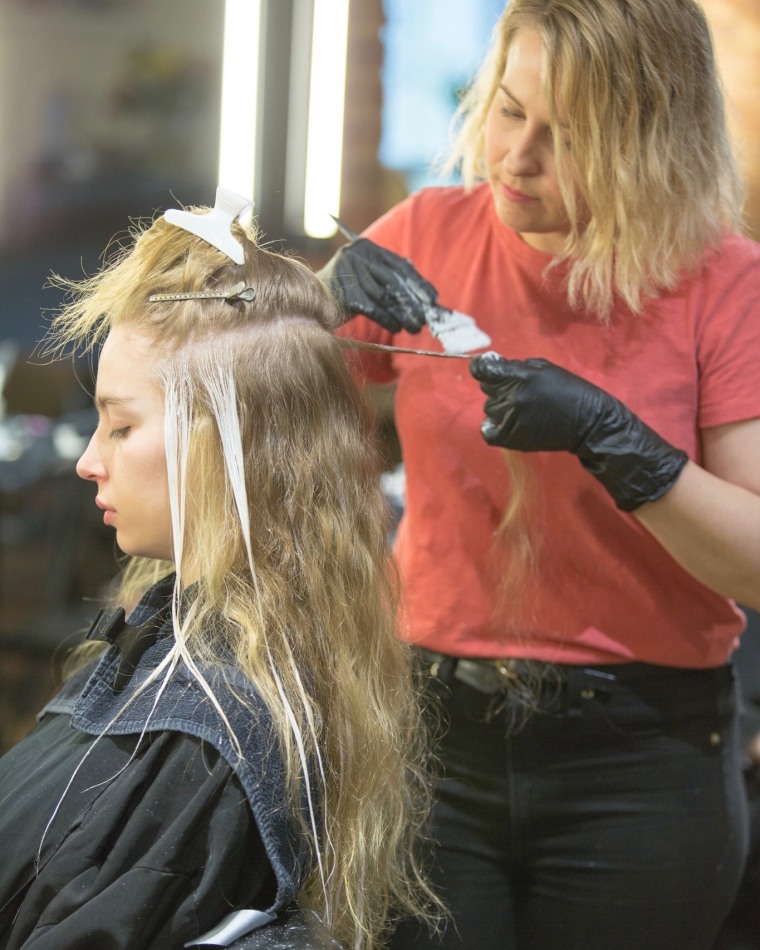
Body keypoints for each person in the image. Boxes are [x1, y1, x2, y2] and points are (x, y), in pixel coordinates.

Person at [319, 1, 760, 948]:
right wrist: (311, 310)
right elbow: (270, 402)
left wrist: (617, 442)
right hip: (432, 736)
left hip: (642, 760)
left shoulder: (723, 282)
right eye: (510, 110)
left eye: (568, 138)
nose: (516, 157)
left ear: (653, 141)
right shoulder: (429, 233)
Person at [0, 189, 438, 950]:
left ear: (222, 439)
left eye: (123, 424)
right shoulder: (212, 657)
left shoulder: (208, 722)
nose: (87, 460)